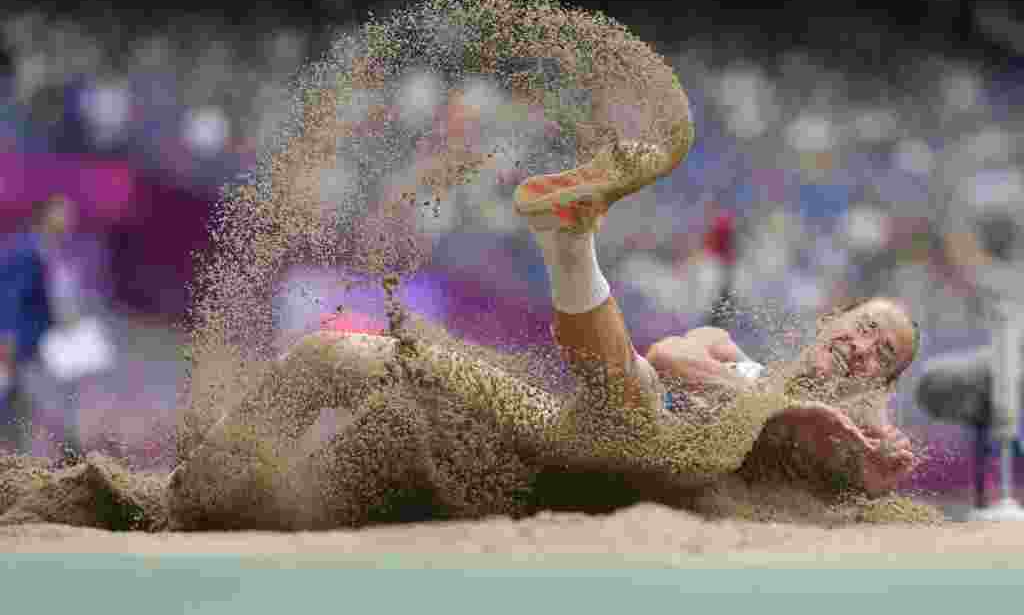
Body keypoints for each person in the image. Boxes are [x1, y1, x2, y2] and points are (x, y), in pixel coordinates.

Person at [168, 104, 921, 531]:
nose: (862, 348)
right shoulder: (729, 351)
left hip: (635, 475)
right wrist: (776, 405)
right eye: (862, 328)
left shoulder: (855, 434)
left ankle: (572, 247)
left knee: (650, 429)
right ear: (830, 320)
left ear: (883, 379)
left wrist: (862, 435)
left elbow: (875, 475)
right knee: (336, 359)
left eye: (882, 353)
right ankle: (197, 491)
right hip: (582, 427)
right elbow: (665, 356)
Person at [0, 194, 79, 458]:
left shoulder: (53, 252)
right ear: (45, 215)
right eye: (63, 213)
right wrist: (7, 336)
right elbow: (10, 295)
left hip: (38, 345)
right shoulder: (26, 249)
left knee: (16, 409)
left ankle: (15, 462)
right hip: (20, 345)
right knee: (41, 407)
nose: (69, 220)